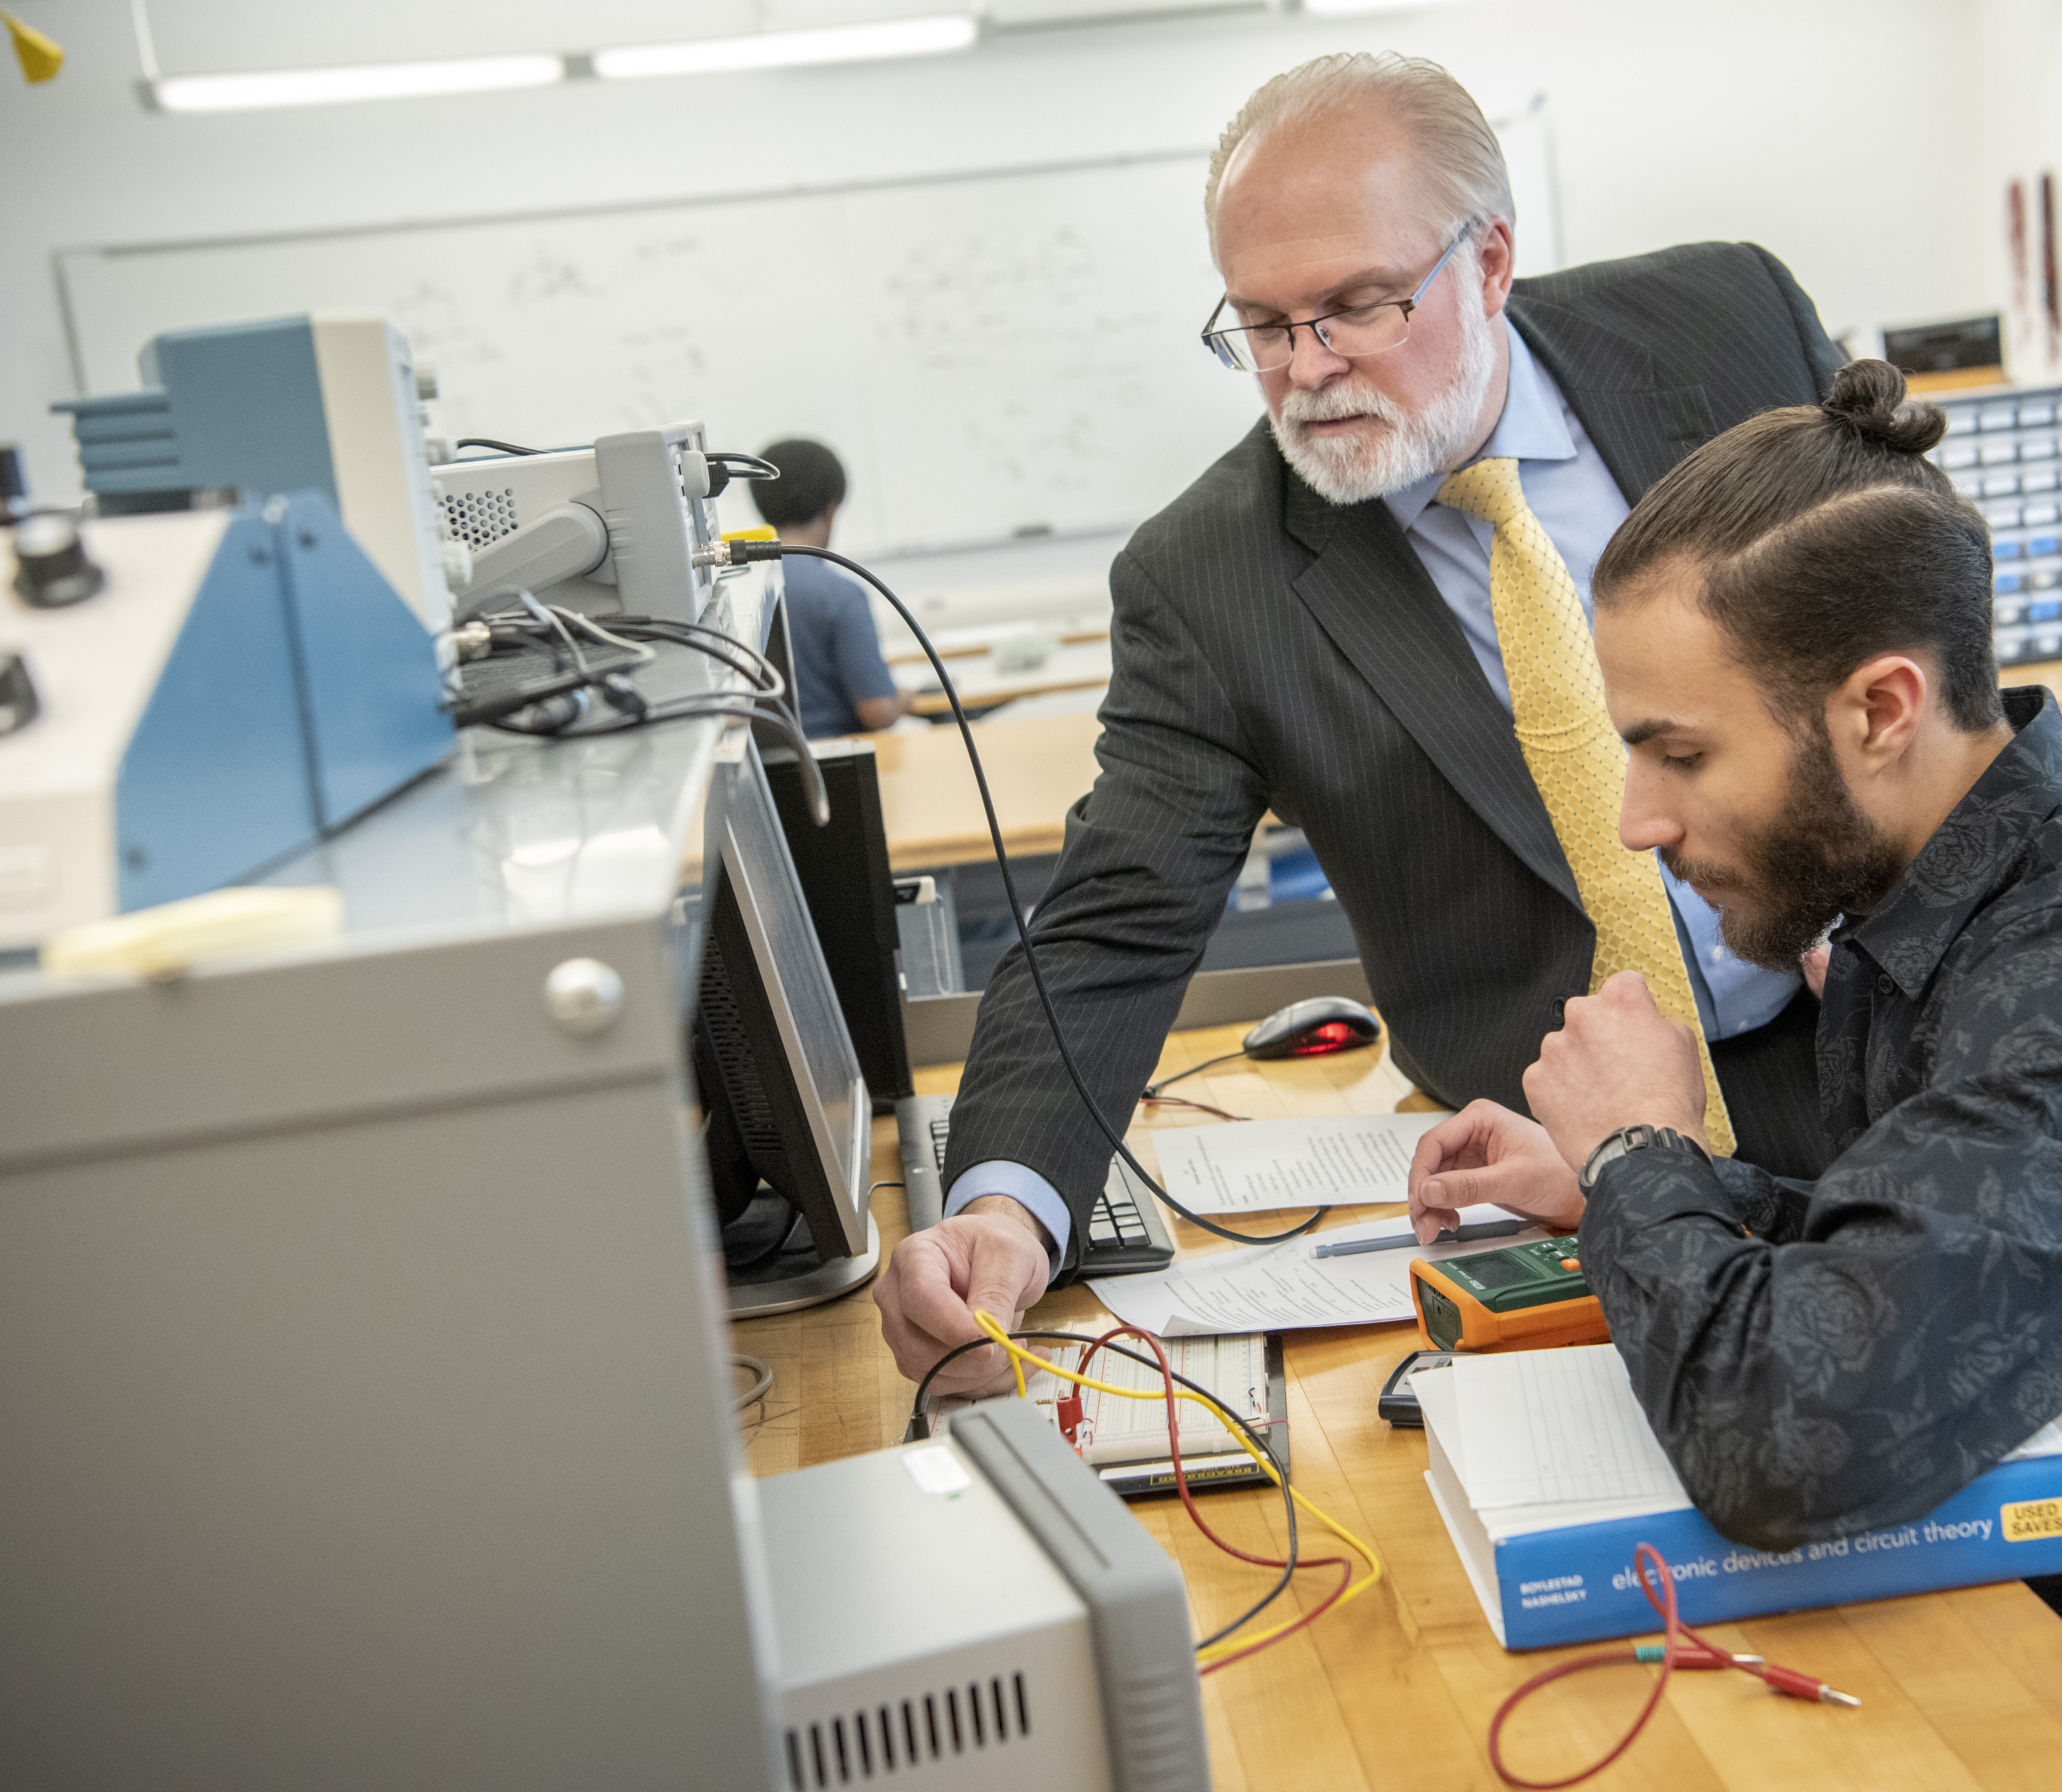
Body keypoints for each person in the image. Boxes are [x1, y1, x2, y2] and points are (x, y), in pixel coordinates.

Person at [1402, 361, 2062, 1792]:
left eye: (1679, 752)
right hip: (1989, 1612)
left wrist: (1637, 1161)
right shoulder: (1950, 905)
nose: (1637, 818)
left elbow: (1788, 1446)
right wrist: (1654, 1194)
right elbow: (1935, 1260)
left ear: (1878, 710)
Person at [875, 52, 1846, 1390]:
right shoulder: (1212, 575)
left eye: (1356, 307)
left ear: (1489, 261)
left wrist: (1911, 910)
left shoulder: (1722, 325)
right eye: (1261, 327)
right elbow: (1116, 918)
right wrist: (1002, 1206)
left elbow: (1914, 631)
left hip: (1878, 1036)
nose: (1307, 371)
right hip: (1544, 1158)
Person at [751, 437, 910, 735]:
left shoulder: (741, 587)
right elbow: (878, 711)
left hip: (769, 772)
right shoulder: (840, 595)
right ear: (832, 510)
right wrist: (905, 699)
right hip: (837, 766)